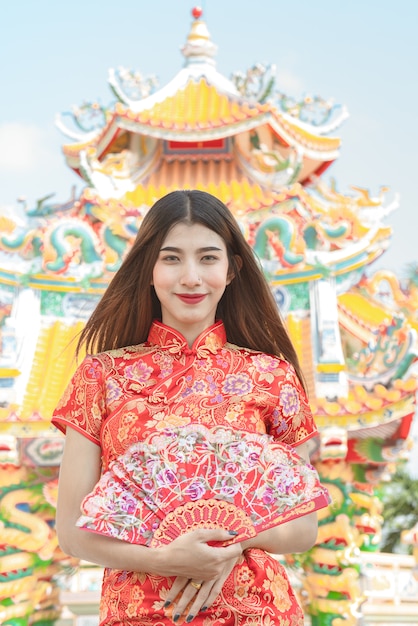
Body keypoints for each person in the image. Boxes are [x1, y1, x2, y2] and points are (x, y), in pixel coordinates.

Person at [52, 189, 321, 626]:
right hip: (140, 612)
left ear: (232, 270)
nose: (191, 277)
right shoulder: (101, 377)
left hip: (256, 609)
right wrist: (165, 558)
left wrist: (218, 545)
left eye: (209, 258)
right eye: (172, 258)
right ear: (150, 269)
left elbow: (302, 527)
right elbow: (72, 532)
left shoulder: (272, 376)